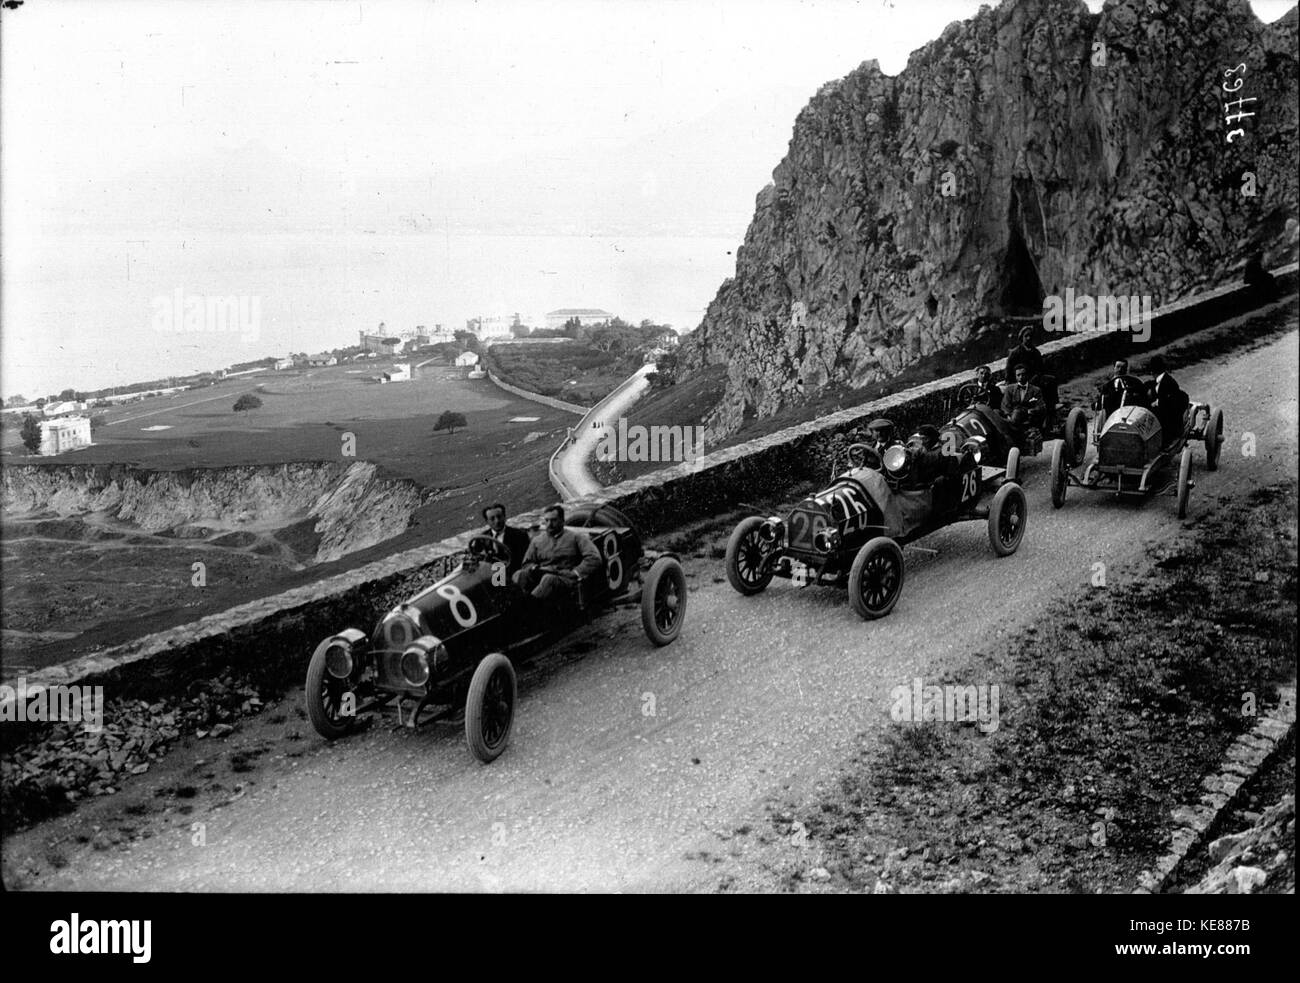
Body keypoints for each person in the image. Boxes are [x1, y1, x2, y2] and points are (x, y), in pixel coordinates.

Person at [513, 504, 603, 608]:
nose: (549, 524)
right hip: (542, 575)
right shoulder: (537, 541)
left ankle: (528, 608)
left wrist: (575, 572)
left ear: (562, 521)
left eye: (553, 520)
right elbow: (526, 563)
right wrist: (535, 568)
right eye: (546, 521)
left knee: (548, 579)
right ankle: (516, 605)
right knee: (519, 574)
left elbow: (594, 558)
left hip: (566, 579)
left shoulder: (575, 537)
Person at [1005, 326, 1057, 421]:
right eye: (1026, 336)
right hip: (1019, 380)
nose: (1028, 338)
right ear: (1022, 338)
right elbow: (1008, 371)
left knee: (1051, 380)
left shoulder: (1035, 352)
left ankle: (1051, 407)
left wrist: (1035, 377)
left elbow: (1040, 369)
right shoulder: (1015, 353)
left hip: (1034, 379)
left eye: (1030, 336)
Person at [1145, 355, 1188, 446]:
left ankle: (1161, 442)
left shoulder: (1169, 382)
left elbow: (1172, 403)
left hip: (1170, 420)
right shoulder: (1160, 380)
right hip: (1163, 413)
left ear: (1153, 371)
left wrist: (1157, 403)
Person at [480, 503, 531, 578]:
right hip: (491, 576)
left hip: (514, 575)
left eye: (499, 517)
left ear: (504, 517)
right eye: (492, 519)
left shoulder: (519, 535)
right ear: (487, 521)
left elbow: (526, 560)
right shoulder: (482, 538)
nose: (497, 521)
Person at [1001, 364, 1045, 430]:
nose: (1021, 377)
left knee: (1017, 413)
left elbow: (1041, 406)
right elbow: (1005, 405)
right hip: (1012, 416)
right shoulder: (1009, 389)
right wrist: (1008, 415)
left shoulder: (1035, 390)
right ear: (1015, 376)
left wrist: (1029, 411)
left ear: (1027, 375)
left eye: (1023, 374)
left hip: (1028, 415)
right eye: (1018, 375)